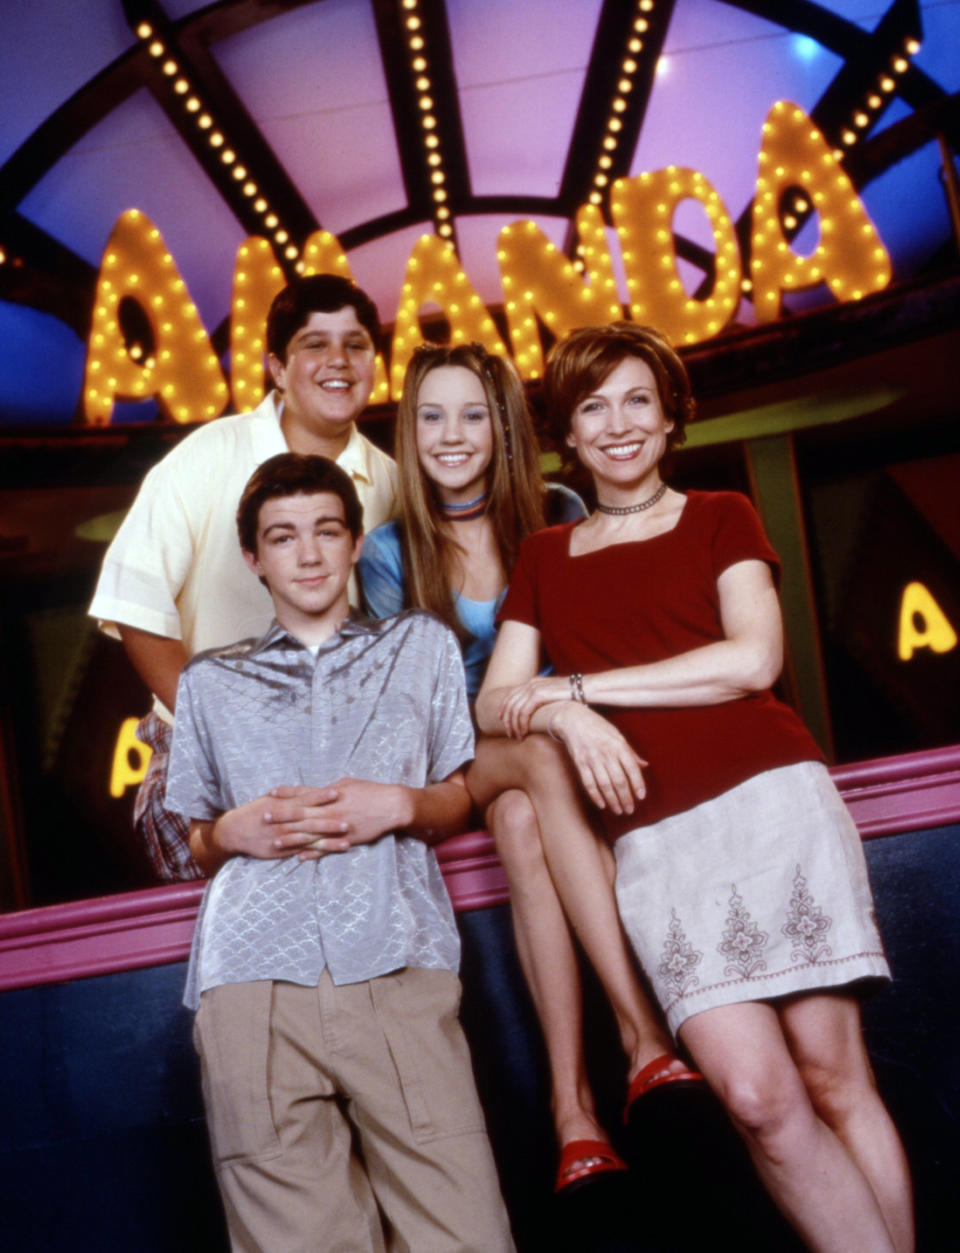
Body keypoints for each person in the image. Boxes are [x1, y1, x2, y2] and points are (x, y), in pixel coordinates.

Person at [476, 322, 914, 1253]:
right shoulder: (544, 559)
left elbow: (754, 658)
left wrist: (579, 686)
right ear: (569, 434)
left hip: (770, 802)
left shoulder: (722, 513)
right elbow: (494, 703)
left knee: (835, 1077)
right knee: (756, 1099)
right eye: (593, 407)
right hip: (656, 842)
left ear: (672, 416)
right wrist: (563, 716)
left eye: (639, 399)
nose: (619, 423)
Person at [359, 342, 696, 1196]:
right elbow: (423, 713)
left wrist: (573, 709)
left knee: (522, 820)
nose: (451, 433)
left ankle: (572, 1114)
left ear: (503, 425)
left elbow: (590, 645)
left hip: (557, 758)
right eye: (431, 414)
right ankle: (643, 1036)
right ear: (408, 430)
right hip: (461, 759)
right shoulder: (389, 550)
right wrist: (561, 710)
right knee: (533, 761)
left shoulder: (557, 508)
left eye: (473, 412)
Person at [165, 452, 515, 1253]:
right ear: (254, 559)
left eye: (327, 530)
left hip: (395, 955)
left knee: (467, 1234)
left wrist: (399, 804)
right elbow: (192, 839)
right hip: (250, 980)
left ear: (357, 542)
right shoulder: (211, 683)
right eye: (283, 537)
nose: (310, 553)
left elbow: (460, 793)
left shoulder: (419, 647)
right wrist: (227, 833)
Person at [89, 274, 397, 882]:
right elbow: (135, 606)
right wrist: (233, 733)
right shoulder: (205, 458)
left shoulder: (392, 483)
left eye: (356, 344)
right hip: (208, 752)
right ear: (277, 368)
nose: (339, 360)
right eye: (315, 344)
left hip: (347, 757)